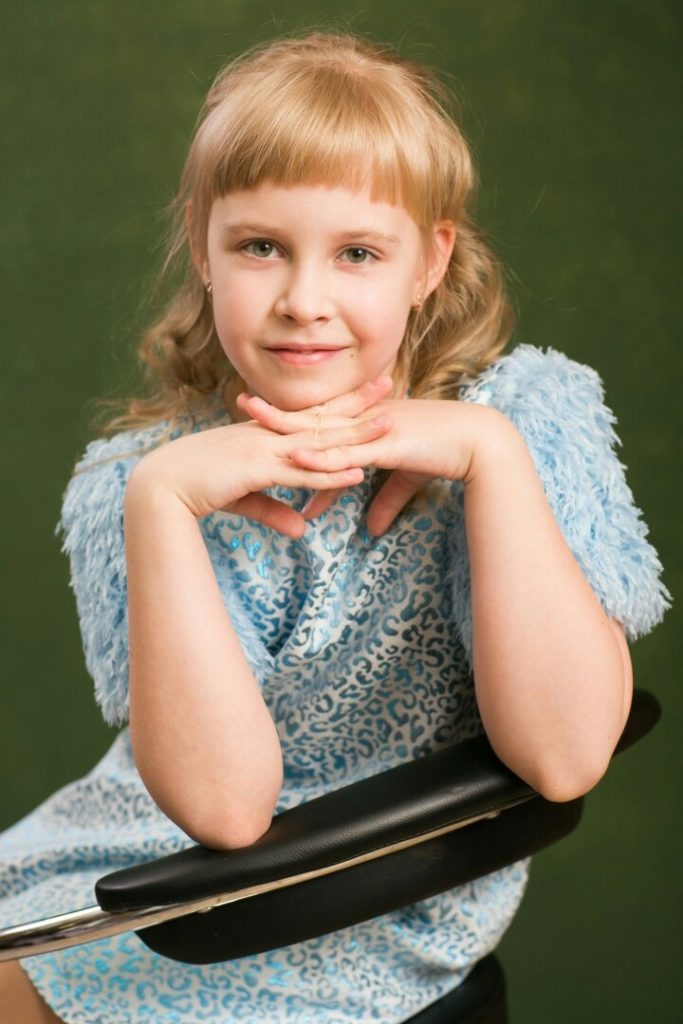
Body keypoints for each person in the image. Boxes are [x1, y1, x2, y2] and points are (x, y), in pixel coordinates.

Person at [0, 29, 671, 1024]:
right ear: (203, 246)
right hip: (140, 863)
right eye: (259, 247)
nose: (302, 302)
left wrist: (488, 457)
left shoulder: (524, 422)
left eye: (356, 253)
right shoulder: (137, 482)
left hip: (345, 903)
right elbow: (219, 803)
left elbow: (565, 757)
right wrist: (160, 504)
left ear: (428, 261)